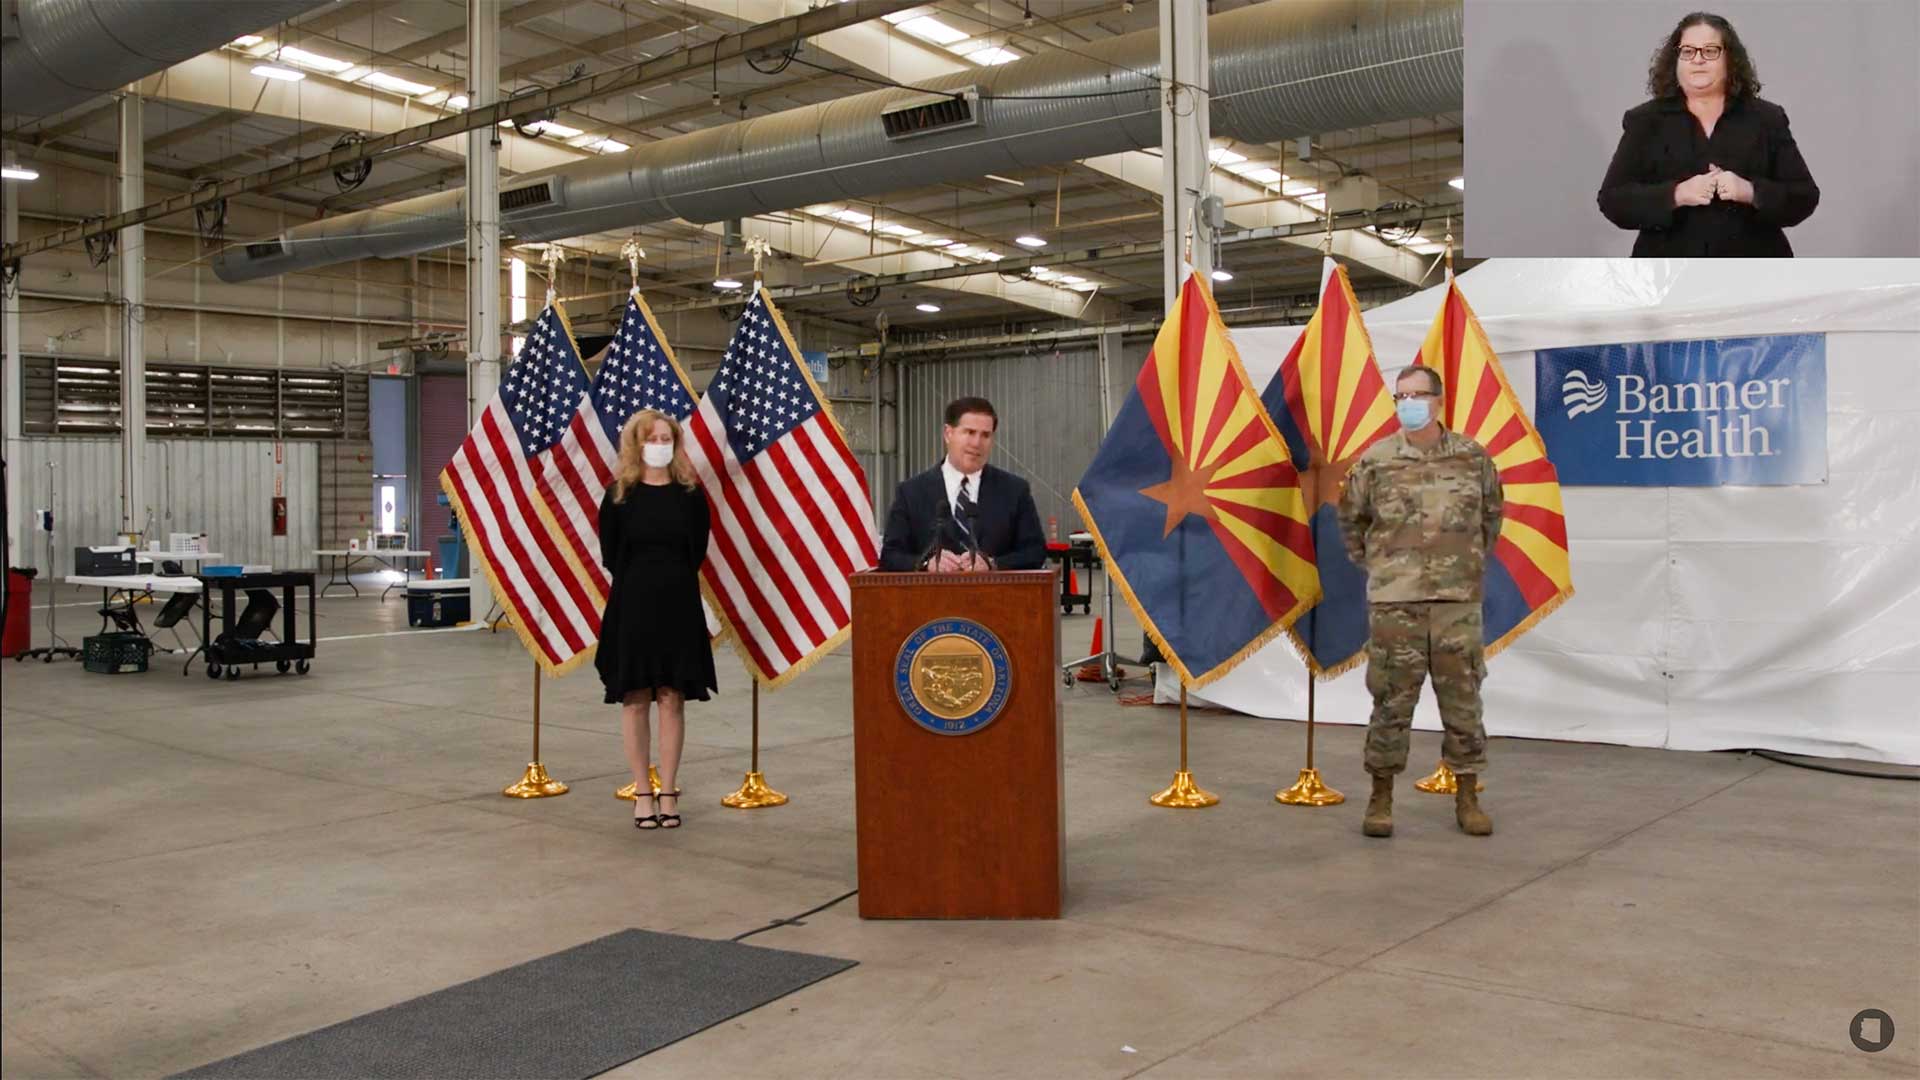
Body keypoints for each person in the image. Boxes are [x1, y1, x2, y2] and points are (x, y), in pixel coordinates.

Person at [1337, 366, 1503, 839]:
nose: (1408, 403)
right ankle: (1381, 797)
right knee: (1391, 702)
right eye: (1400, 395)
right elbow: (1352, 520)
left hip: (1455, 602)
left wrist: (1462, 566)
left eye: (1417, 395)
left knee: (1464, 702)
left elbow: (1492, 516)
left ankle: (1467, 795)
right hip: (1396, 603)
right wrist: (1383, 570)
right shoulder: (1376, 460)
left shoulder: (1473, 458)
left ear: (1439, 400)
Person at [1596, 11, 1818, 257]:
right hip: (1667, 275)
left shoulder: (1766, 118)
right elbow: (1613, 200)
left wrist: (1750, 191)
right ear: (1675, 59)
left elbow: (1804, 197)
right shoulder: (1645, 121)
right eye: (1688, 51)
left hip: (1756, 273)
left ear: (1729, 59)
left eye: (1710, 51)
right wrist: (1676, 194)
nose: (1698, 60)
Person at [596, 409, 716, 831]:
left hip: (679, 606)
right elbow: (610, 554)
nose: (660, 445)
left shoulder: (691, 496)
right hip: (632, 606)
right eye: (653, 438)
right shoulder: (618, 496)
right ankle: (641, 792)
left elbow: (696, 550)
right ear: (637, 443)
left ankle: (668, 790)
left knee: (672, 698)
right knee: (635, 699)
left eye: (667, 438)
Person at [878, 396, 1048, 573]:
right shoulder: (911, 492)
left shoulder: (1015, 490)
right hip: (931, 597)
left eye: (985, 435)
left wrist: (994, 564)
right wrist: (925, 564)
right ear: (948, 434)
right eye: (970, 432)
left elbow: (1035, 552)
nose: (977, 443)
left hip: (996, 597)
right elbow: (890, 556)